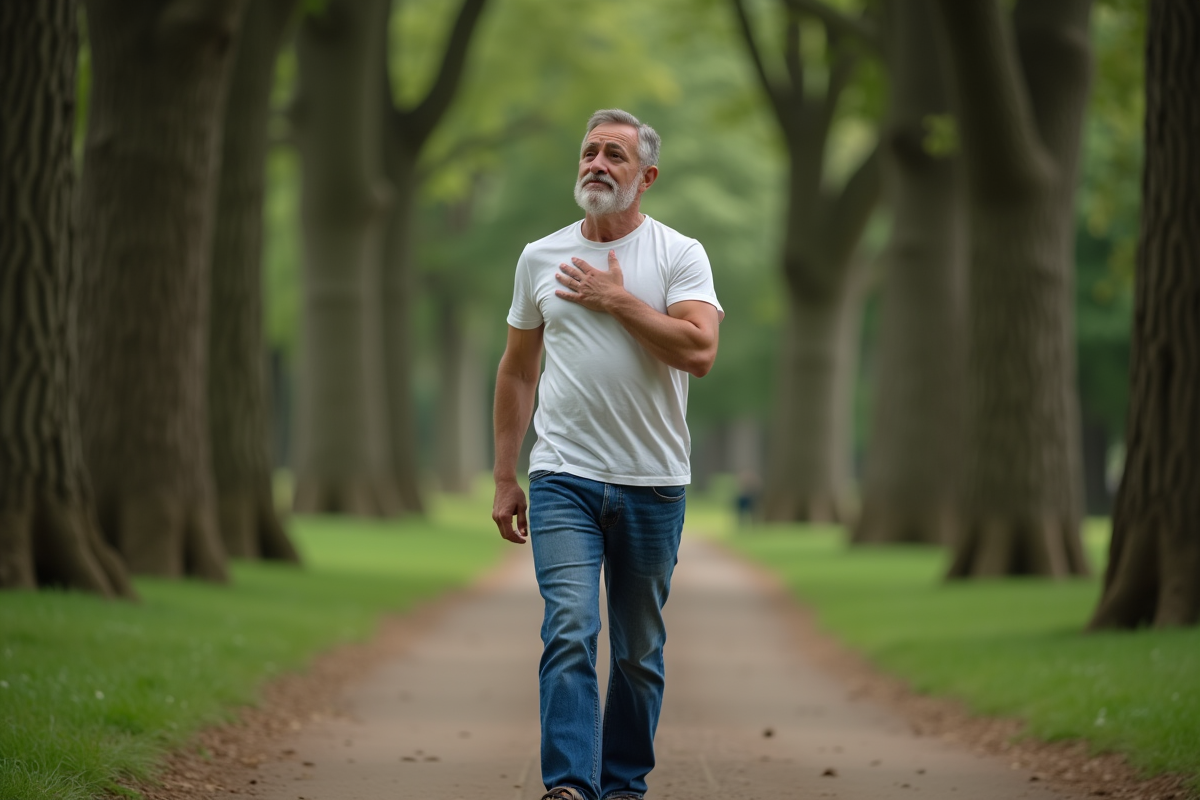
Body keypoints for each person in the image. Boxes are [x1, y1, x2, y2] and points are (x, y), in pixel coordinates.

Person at [491, 109, 723, 800]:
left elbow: (700, 351)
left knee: (637, 653)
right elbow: (517, 371)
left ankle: (623, 786)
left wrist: (618, 300)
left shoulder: (680, 255)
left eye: (614, 155)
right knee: (569, 628)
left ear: (645, 176)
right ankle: (569, 786)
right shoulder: (540, 256)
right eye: (589, 151)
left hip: (654, 481)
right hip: (564, 475)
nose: (596, 163)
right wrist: (506, 473)